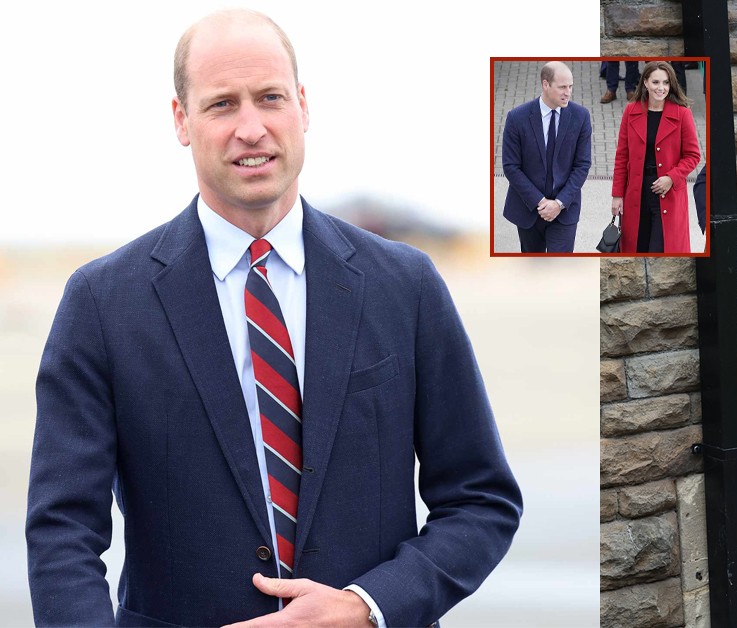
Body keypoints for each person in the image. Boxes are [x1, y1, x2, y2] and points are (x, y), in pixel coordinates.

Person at [26, 10, 522, 627]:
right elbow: (61, 532)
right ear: (181, 120)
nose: (251, 128)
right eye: (222, 104)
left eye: (270, 98)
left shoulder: (406, 285)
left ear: (304, 107)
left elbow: (481, 500)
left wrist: (369, 607)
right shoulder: (102, 303)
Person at [501, 61, 592, 253]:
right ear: (545, 84)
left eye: (570, 86)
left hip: (565, 210)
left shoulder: (581, 116)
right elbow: (511, 166)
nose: (568, 92)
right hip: (528, 209)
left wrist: (558, 204)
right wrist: (541, 202)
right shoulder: (517, 118)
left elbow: (582, 165)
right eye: (562, 87)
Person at [611, 61, 701, 254]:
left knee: (662, 249)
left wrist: (672, 177)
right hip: (637, 190)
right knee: (638, 247)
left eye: (666, 83)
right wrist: (617, 195)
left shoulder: (682, 113)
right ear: (645, 83)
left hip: (667, 190)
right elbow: (621, 156)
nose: (661, 88)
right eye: (656, 82)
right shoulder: (631, 110)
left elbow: (693, 155)